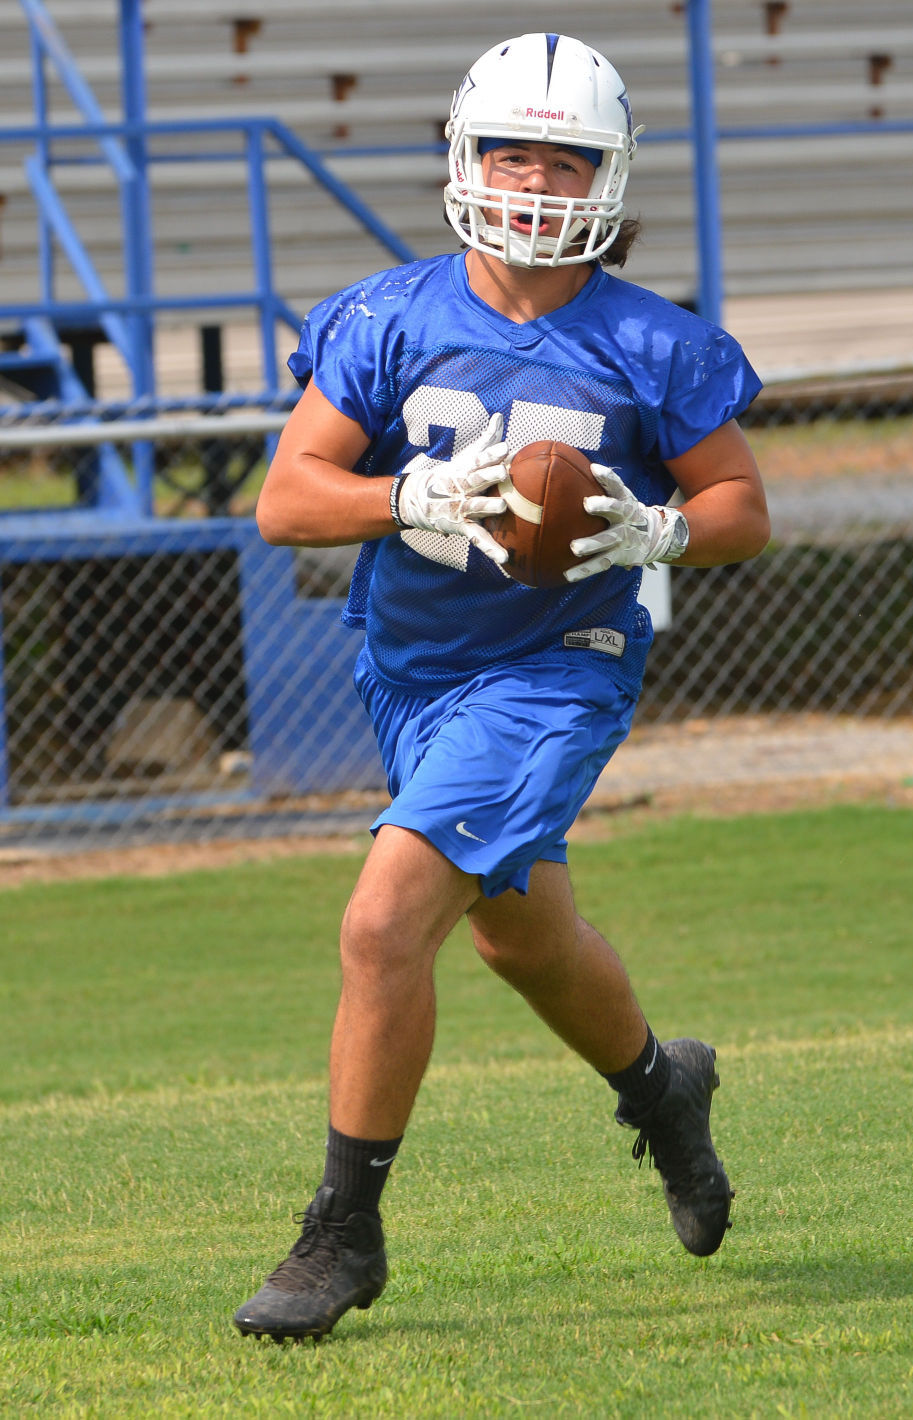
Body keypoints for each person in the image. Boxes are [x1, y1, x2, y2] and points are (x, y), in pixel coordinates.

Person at [233, 31, 770, 1342]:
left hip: (555, 671)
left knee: (382, 925)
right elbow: (286, 500)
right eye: (512, 150)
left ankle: (340, 1234)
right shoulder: (389, 317)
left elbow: (743, 506)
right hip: (411, 674)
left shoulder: (653, 341)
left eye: (566, 155)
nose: (535, 179)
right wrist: (400, 495)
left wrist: (657, 531)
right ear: (464, 161)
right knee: (517, 937)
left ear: (613, 173)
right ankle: (661, 1088)